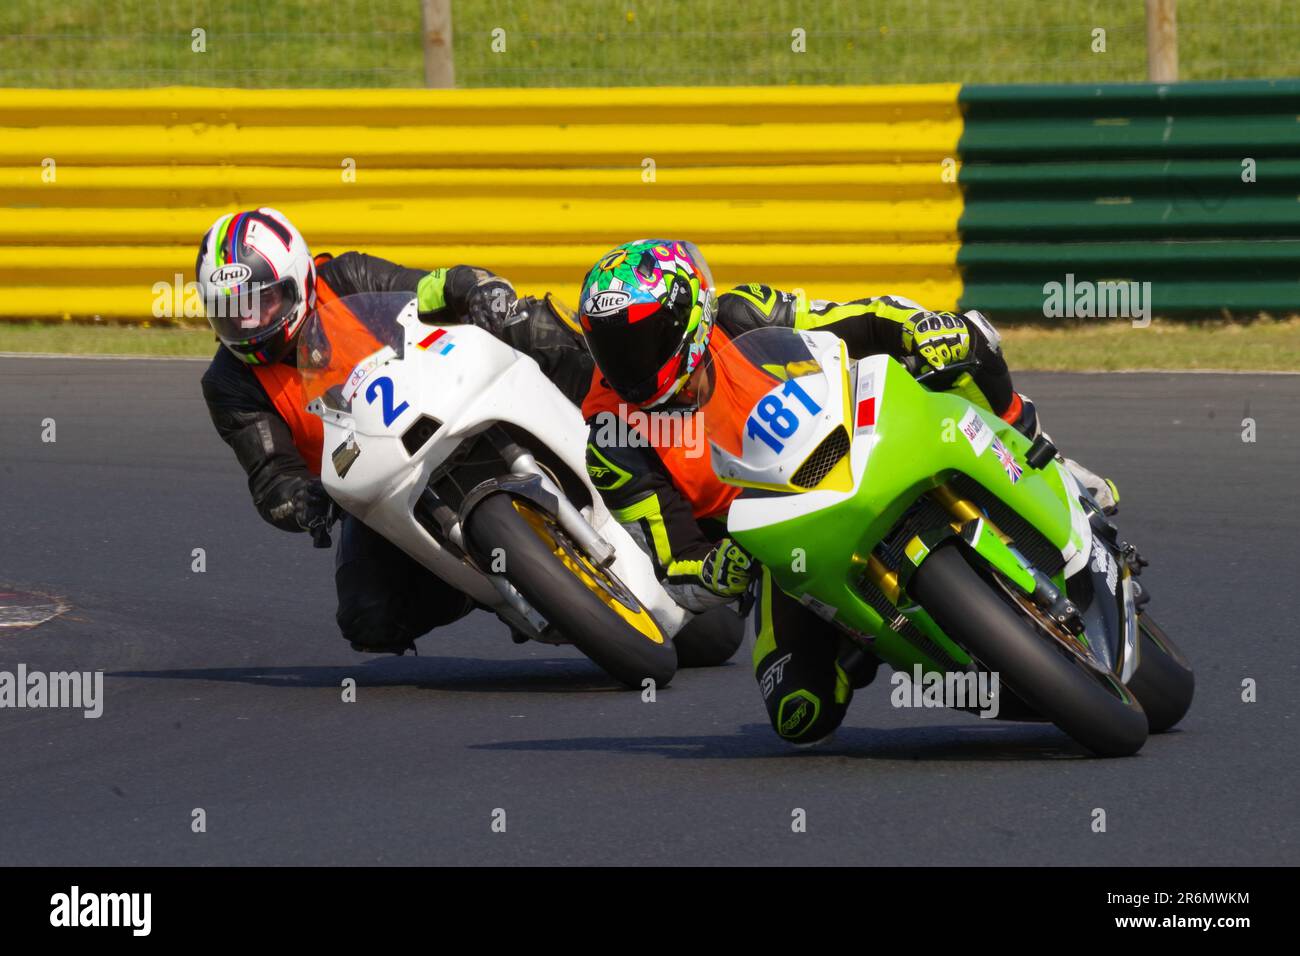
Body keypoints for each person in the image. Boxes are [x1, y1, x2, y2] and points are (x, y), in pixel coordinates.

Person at [576, 238, 1117, 744]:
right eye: (612, 346)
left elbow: (866, 317)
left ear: (690, 316)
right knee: (800, 711)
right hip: (780, 541)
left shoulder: (745, 312)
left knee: (965, 337)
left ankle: (1046, 456)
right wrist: (718, 569)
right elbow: (677, 568)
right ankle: (869, 634)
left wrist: (919, 327)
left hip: (864, 433)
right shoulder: (610, 441)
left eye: (641, 337)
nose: (629, 361)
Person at [197, 207, 592, 654]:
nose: (248, 322)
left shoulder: (347, 276)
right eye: (231, 309)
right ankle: (482, 584)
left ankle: (622, 427)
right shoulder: (230, 384)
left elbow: (432, 288)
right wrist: (302, 501)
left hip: (454, 400)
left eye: (261, 300)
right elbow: (271, 478)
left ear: (299, 278)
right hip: (381, 484)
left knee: (530, 323)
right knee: (369, 618)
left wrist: (474, 287)